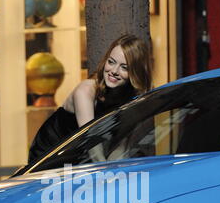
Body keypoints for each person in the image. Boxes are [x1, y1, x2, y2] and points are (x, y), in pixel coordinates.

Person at [28, 34, 153, 164]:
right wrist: (108, 175)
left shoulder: (129, 98)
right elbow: (93, 147)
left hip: (79, 155)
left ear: (135, 72)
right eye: (111, 62)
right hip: (49, 153)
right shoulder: (86, 90)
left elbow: (120, 148)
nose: (114, 71)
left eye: (124, 67)